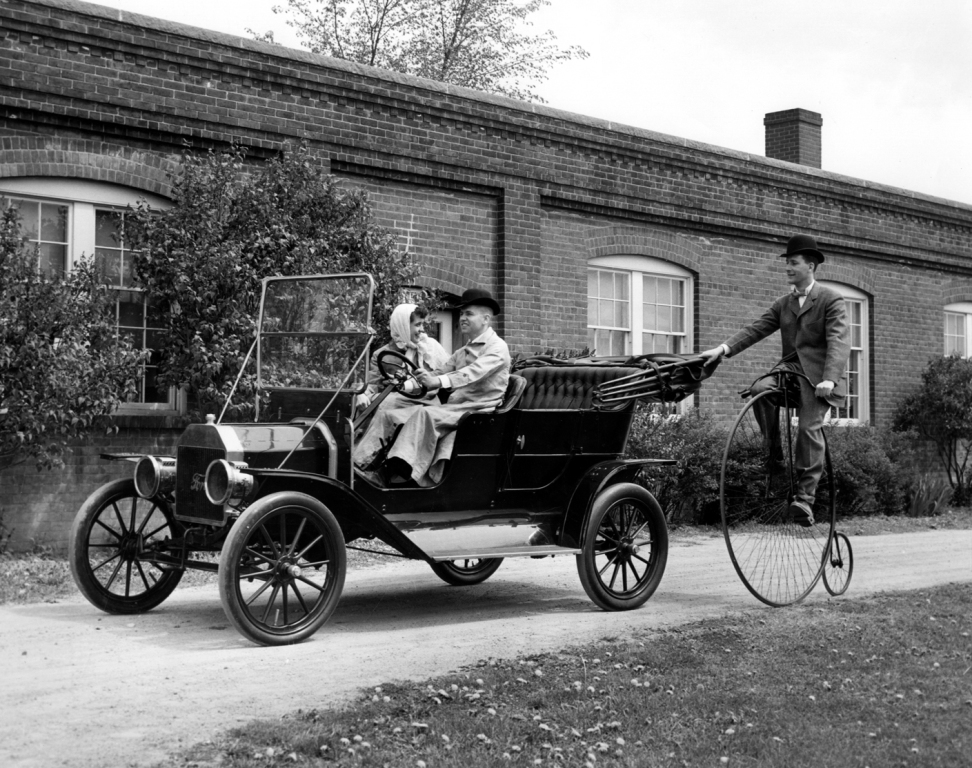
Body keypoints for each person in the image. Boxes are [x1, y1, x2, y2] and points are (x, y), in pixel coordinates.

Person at [700, 234, 850, 527]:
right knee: (760, 389)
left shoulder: (831, 299)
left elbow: (838, 342)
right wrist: (722, 349)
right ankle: (775, 457)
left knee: (808, 428)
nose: (788, 268)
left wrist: (830, 379)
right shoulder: (784, 303)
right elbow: (755, 329)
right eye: (788, 264)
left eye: (793, 263)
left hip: (818, 376)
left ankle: (805, 500)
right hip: (790, 370)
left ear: (811, 265)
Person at [353, 287, 511, 487]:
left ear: (486, 319)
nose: (462, 318)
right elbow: (441, 371)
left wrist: (436, 381)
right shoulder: (463, 351)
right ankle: (359, 465)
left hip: (478, 410)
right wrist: (419, 380)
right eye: (461, 313)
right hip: (456, 407)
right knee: (395, 413)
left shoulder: (497, 348)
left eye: (468, 314)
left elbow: (472, 373)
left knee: (425, 415)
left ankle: (397, 475)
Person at [355, 303, 448, 410]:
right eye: (418, 325)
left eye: (422, 324)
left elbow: (448, 372)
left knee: (382, 404)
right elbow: (373, 384)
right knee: (373, 402)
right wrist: (361, 393)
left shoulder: (430, 347)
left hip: (426, 403)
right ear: (403, 326)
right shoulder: (381, 355)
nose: (422, 329)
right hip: (396, 403)